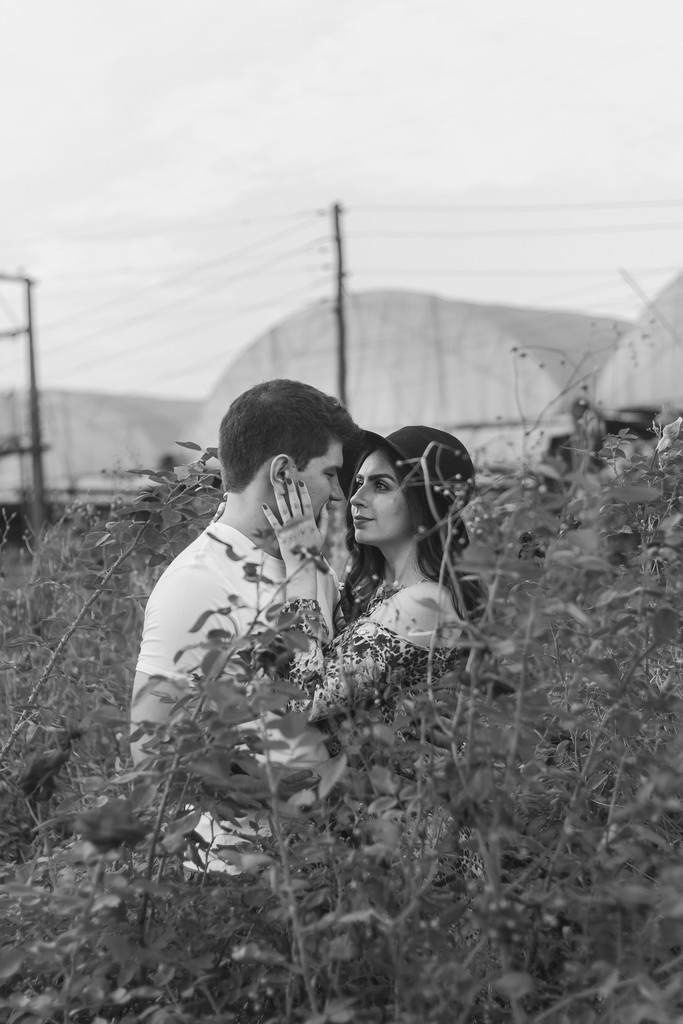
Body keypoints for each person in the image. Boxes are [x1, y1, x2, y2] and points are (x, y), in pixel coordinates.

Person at [130, 378, 362, 767]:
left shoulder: (311, 568)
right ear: (283, 474)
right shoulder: (195, 583)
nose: (339, 493)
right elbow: (150, 755)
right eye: (329, 473)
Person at [263, 424, 483, 752]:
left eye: (380, 485)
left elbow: (301, 701)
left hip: (394, 784)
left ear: (426, 502)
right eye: (359, 482)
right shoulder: (379, 590)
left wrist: (302, 569)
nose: (355, 498)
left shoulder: (425, 603)